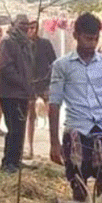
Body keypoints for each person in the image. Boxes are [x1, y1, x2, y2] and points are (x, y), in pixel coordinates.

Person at [49, 12, 102, 202]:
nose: (92, 44)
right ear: (76, 35)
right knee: (78, 187)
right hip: (76, 131)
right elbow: (54, 103)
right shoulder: (62, 66)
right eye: (87, 38)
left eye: (95, 39)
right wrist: (54, 142)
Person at [0, 14, 34, 174]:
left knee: (20, 128)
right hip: (10, 93)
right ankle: (8, 162)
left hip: (22, 93)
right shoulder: (7, 41)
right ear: (13, 24)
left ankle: (16, 160)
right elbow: (6, 68)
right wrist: (22, 82)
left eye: (27, 24)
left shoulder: (25, 43)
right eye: (22, 24)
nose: (25, 27)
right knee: (13, 128)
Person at [25, 20, 57, 160]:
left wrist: (50, 79)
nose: (32, 31)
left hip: (45, 82)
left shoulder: (45, 44)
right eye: (30, 28)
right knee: (30, 116)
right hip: (29, 84)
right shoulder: (23, 45)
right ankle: (29, 148)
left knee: (52, 114)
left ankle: (55, 146)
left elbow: (54, 62)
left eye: (34, 28)